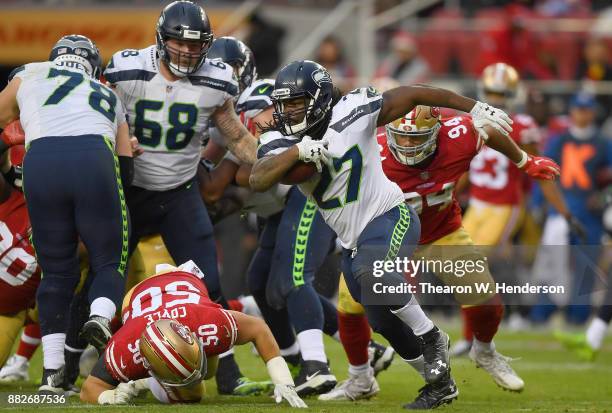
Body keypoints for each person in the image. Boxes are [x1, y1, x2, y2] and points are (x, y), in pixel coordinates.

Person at [249, 59, 514, 408]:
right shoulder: (280, 138)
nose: (287, 113)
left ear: (319, 98)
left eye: (296, 103)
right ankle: (440, 383)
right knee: (383, 321)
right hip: (354, 239)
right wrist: (297, 150)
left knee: (374, 273)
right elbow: (260, 177)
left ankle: (433, 336)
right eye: (284, 105)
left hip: (391, 215)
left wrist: (474, 105)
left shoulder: (353, 110)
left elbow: (413, 94)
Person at [102, 0, 260, 395]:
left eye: (196, 44)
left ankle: (228, 374)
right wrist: (117, 142)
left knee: (209, 284)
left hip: (179, 193)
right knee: (104, 276)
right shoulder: (126, 69)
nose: (188, 51)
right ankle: (70, 366)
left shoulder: (218, 80)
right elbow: (100, 121)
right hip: (130, 191)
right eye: (179, 42)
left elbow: (237, 138)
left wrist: (277, 163)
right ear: (161, 38)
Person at [0, 34, 133, 394]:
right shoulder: (108, 95)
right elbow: (125, 164)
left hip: (39, 161)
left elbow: (0, 117)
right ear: (93, 67)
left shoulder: (29, 74)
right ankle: (100, 317)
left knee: (56, 272)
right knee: (110, 259)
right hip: (93, 157)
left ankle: (52, 376)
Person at [452, 62, 581, 355]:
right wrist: (446, 195)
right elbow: (464, 170)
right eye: (492, 92)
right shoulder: (472, 120)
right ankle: (471, 334)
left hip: (504, 206)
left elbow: (539, 172)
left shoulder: (523, 124)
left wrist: (565, 212)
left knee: (472, 264)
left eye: (501, 92)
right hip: (479, 204)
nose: (496, 99)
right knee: (460, 266)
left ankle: (484, 332)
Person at [79, 262, 306, 408]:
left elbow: (259, 329)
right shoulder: (128, 348)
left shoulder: (208, 327)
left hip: (183, 279)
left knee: (206, 374)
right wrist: (109, 398)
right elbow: (90, 389)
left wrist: (283, 382)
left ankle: (141, 382)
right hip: (137, 298)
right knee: (192, 395)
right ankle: (142, 381)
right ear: (147, 362)